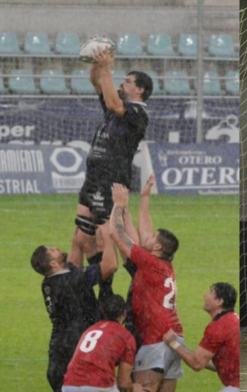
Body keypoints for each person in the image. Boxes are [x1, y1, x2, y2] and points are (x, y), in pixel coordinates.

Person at [69, 44, 153, 299]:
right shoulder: (114, 103)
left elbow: (115, 103)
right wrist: (96, 63)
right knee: (83, 239)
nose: (122, 84)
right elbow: (97, 83)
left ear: (138, 90)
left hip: (110, 182)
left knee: (108, 238)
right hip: (93, 180)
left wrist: (107, 67)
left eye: (127, 82)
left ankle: (142, 285)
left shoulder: (137, 112)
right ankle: (92, 298)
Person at [109, 183, 184, 392]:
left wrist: (118, 204)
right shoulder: (164, 267)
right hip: (174, 336)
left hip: (156, 339)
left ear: (158, 247)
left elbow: (116, 233)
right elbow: (144, 231)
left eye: (151, 239)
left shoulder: (150, 264)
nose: (145, 239)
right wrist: (144, 198)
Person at [31, 223, 118, 392]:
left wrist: (78, 234)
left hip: (59, 360)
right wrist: (108, 236)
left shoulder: (49, 282)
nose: (56, 247)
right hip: (74, 363)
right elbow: (110, 265)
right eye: (52, 250)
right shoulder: (73, 281)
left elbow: (73, 262)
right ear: (54, 264)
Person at [62, 295, 149, 392]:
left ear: (103, 312)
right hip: (98, 386)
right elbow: (123, 384)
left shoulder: (90, 329)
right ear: (124, 313)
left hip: (69, 385)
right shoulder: (126, 337)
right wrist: (134, 388)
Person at [163, 283, 240, 392]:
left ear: (219, 301)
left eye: (210, 293)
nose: (205, 295)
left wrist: (174, 344)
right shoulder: (233, 320)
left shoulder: (218, 326)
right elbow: (217, 363)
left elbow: (197, 364)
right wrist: (185, 353)